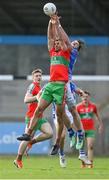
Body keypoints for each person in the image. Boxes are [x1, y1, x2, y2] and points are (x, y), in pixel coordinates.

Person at [17, 14, 75, 146]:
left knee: (60, 116)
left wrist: (57, 25)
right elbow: (50, 37)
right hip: (50, 85)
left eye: (57, 42)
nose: (55, 43)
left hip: (61, 87)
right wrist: (50, 22)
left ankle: (68, 133)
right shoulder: (52, 52)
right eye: (55, 43)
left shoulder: (66, 52)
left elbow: (62, 38)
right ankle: (28, 133)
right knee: (38, 109)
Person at [50, 14, 85, 155]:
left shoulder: (72, 51)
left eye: (76, 43)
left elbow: (63, 39)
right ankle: (72, 132)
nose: (73, 44)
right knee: (61, 111)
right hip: (60, 82)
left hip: (66, 82)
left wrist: (57, 24)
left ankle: (79, 134)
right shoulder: (62, 50)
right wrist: (54, 24)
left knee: (71, 110)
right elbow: (56, 39)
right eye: (74, 42)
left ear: (77, 48)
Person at [14, 69, 53, 168]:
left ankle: (32, 142)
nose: (39, 77)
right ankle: (18, 160)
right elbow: (26, 100)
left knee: (49, 133)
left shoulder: (40, 87)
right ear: (33, 78)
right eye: (36, 76)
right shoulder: (32, 86)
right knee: (26, 138)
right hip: (32, 117)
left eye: (40, 75)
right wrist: (36, 97)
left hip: (40, 117)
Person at [77, 91, 103, 168]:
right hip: (81, 129)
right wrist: (75, 128)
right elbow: (75, 118)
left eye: (87, 96)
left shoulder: (93, 106)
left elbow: (98, 115)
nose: (85, 98)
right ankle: (83, 163)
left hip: (90, 129)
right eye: (84, 96)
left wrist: (101, 125)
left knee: (90, 146)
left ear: (89, 97)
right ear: (81, 98)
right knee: (81, 146)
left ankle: (90, 163)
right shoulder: (78, 107)